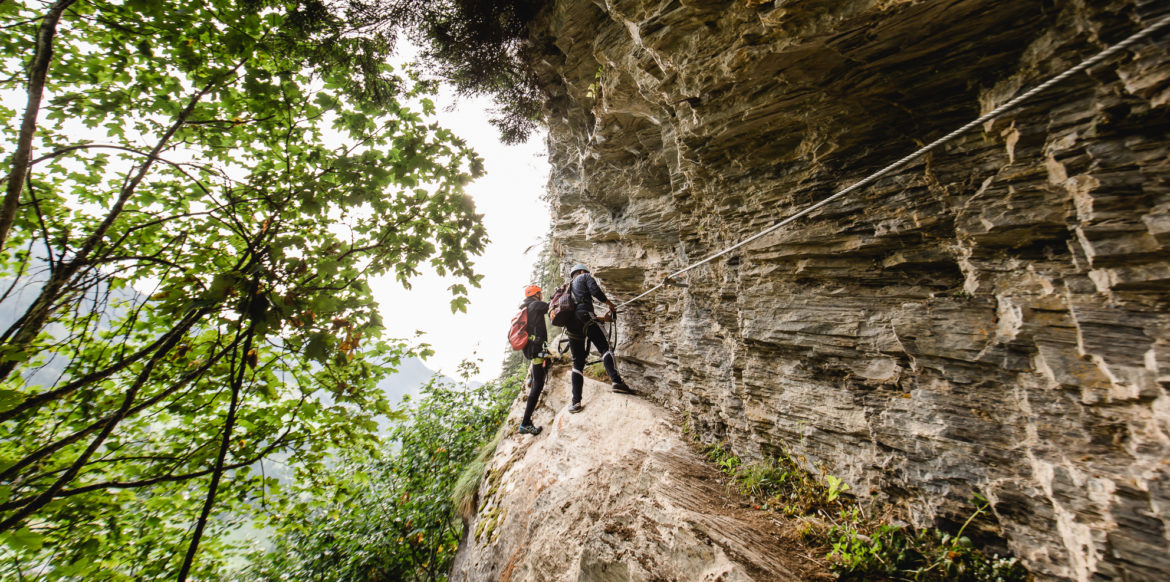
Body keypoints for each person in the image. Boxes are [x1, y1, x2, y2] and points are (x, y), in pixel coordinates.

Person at [563, 263, 632, 414]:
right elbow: (595, 292)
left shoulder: (568, 287)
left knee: (577, 361)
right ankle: (616, 381)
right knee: (604, 347)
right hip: (586, 316)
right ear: (581, 271)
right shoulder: (585, 276)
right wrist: (610, 304)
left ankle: (575, 403)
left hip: (571, 325)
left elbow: (579, 313)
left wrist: (602, 319)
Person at [517, 284, 549, 435]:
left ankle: (531, 377)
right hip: (536, 350)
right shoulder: (535, 305)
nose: (541, 295)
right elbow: (550, 307)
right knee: (538, 384)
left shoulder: (527, 307)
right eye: (540, 293)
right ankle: (525, 422)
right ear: (536, 294)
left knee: (546, 361)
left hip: (532, 348)